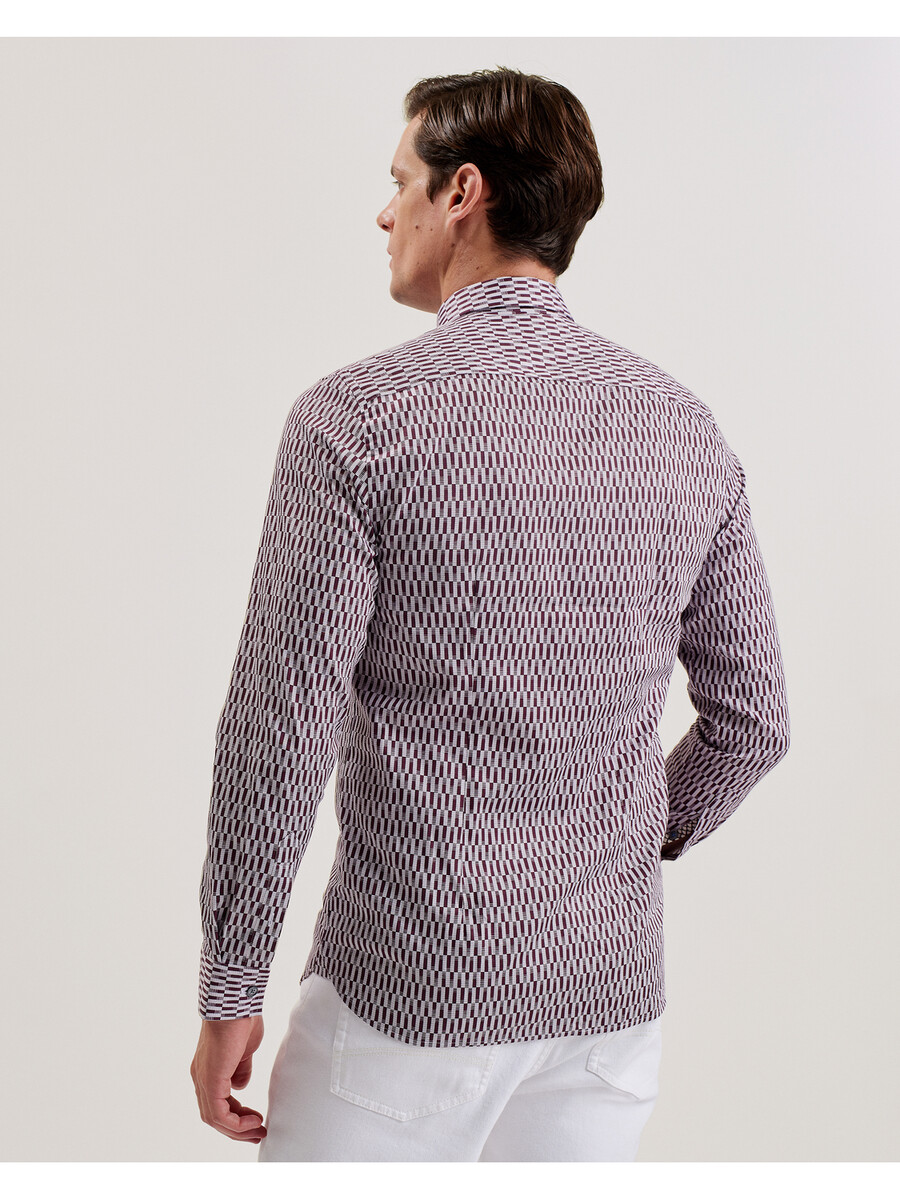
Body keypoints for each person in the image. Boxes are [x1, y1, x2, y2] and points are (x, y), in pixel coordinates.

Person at [190, 66, 790, 1162]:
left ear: (462, 192)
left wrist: (232, 983)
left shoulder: (357, 422)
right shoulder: (683, 427)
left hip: (404, 1003)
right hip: (606, 1014)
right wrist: (622, 842)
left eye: (400, 182)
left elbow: (281, 732)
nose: (385, 213)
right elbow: (754, 723)